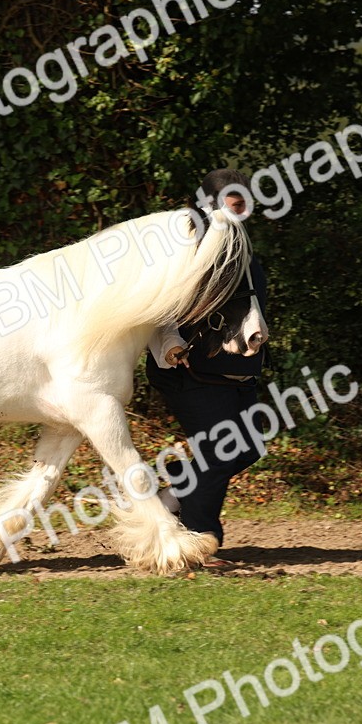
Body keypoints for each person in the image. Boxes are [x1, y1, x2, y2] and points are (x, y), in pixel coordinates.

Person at [145, 168, 269, 566]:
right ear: (211, 205)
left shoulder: (241, 250)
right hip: (188, 370)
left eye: (246, 204)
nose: (244, 211)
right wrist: (170, 344)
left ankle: (175, 493)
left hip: (236, 372)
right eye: (236, 204)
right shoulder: (183, 249)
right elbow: (158, 305)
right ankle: (199, 539)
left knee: (247, 449)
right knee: (220, 452)